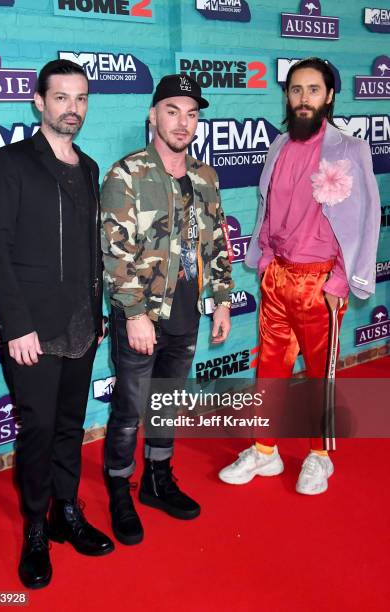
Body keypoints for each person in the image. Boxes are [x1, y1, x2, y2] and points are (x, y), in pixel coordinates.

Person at [219, 57, 380, 495]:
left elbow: (366, 221)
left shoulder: (350, 149)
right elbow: (269, 207)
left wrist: (340, 283)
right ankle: (265, 451)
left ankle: (319, 456)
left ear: (329, 96)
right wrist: (268, 257)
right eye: (295, 90)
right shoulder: (278, 146)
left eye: (312, 90)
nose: (303, 98)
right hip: (277, 278)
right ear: (287, 96)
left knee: (317, 375)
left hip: (321, 284)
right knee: (269, 369)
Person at [0, 59, 114, 589]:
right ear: (39, 101)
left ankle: (67, 513)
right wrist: (15, 325)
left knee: (69, 427)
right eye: (61, 98)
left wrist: (98, 312)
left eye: (80, 98)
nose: (72, 108)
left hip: (83, 328)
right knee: (37, 431)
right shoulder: (10, 163)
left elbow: (90, 251)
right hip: (31, 332)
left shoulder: (88, 166)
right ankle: (35, 527)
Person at [101, 74, 233, 544]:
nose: (183, 122)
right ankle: (119, 486)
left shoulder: (206, 177)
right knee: (131, 406)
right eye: (173, 111)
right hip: (142, 314)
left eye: (192, 114)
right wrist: (133, 313)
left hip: (188, 311)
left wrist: (220, 301)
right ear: (153, 116)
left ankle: (159, 479)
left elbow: (217, 243)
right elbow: (114, 253)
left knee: (166, 402)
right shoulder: (126, 174)